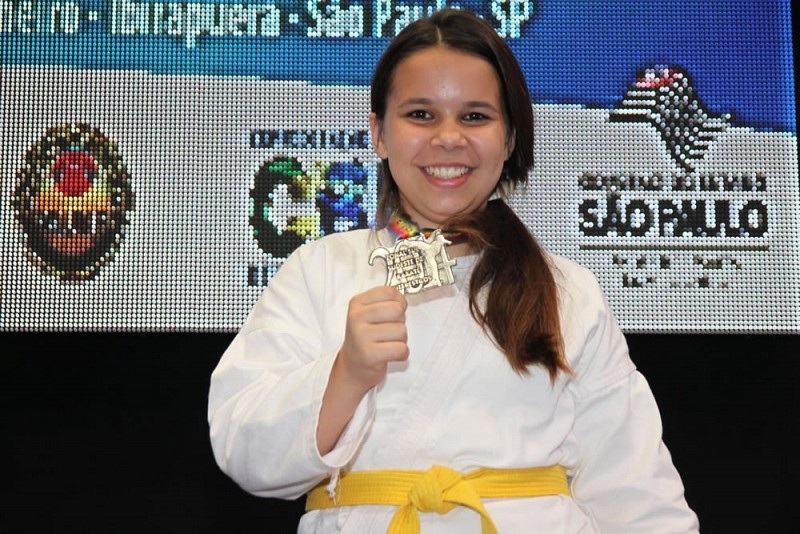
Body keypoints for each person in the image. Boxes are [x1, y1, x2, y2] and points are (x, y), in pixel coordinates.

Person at [208, 8, 699, 533]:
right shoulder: (321, 270)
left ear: (509, 139)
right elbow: (243, 449)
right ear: (379, 133)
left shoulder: (567, 291)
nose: (447, 138)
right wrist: (346, 374)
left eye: (475, 117)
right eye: (421, 114)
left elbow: (634, 487)